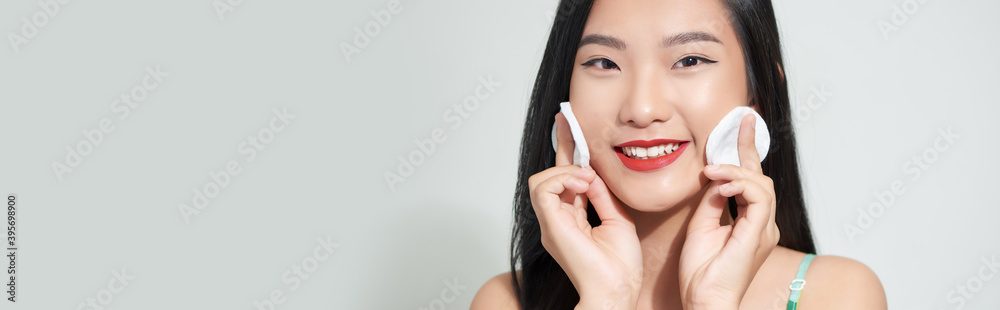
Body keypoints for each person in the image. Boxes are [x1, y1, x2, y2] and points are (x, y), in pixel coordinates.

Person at [471, 0, 888, 309]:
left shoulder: (836, 295)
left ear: (760, 94)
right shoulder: (504, 302)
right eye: (603, 62)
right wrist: (604, 298)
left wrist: (714, 302)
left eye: (689, 59)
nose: (642, 108)